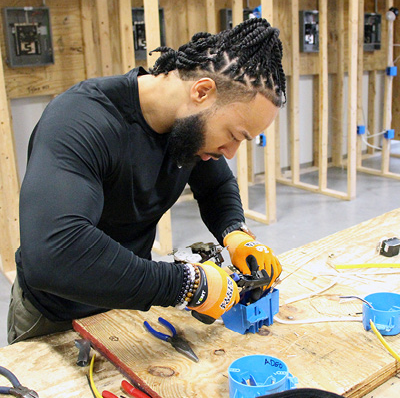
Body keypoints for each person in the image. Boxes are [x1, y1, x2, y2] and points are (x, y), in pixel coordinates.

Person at [7, 17, 285, 344]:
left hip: (127, 303)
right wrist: (187, 284)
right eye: (234, 135)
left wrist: (235, 233)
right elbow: (55, 255)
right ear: (203, 91)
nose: (232, 152)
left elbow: (217, 186)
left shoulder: (190, 129)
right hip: (53, 317)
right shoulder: (81, 120)